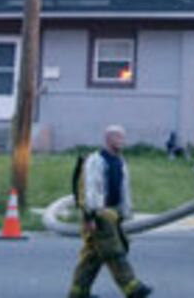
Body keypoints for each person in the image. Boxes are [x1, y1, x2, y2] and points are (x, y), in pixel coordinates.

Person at [69, 125, 153, 298]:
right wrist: (90, 216)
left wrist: (124, 212)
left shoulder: (120, 161)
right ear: (108, 139)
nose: (122, 141)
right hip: (100, 214)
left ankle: (78, 291)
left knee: (93, 256)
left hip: (113, 214)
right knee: (114, 251)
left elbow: (123, 189)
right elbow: (90, 189)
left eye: (123, 137)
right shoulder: (96, 161)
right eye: (118, 137)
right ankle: (132, 288)